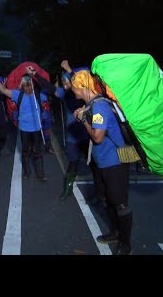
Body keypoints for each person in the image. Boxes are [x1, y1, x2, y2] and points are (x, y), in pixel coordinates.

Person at [71, 70, 133, 255]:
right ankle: (114, 232)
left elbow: (97, 137)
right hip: (102, 162)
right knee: (107, 200)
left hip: (114, 163)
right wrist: (83, 114)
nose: (72, 90)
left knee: (120, 203)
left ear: (81, 86)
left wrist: (83, 120)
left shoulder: (99, 107)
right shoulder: (92, 105)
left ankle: (125, 243)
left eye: (73, 86)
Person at [26, 61, 103, 202]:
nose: (64, 84)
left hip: (88, 136)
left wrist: (69, 69)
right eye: (63, 81)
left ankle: (99, 194)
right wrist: (35, 74)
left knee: (95, 166)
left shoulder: (84, 93)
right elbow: (49, 87)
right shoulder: (64, 93)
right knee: (73, 164)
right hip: (73, 138)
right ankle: (67, 191)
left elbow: (82, 81)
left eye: (66, 81)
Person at [0, 70, 48, 182]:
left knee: (38, 152)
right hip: (24, 129)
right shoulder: (17, 94)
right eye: (25, 85)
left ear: (33, 84)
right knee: (25, 152)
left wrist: (37, 76)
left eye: (29, 84)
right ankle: (27, 172)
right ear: (22, 86)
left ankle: (40, 175)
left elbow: (51, 90)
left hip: (37, 128)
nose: (27, 87)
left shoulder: (40, 95)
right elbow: (2, 90)